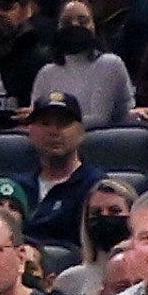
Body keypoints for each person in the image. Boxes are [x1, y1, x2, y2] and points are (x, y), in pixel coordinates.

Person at [32, 0, 136, 128]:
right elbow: (37, 119)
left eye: (83, 21)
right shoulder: (46, 73)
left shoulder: (110, 64)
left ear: (94, 26)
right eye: (67, 22)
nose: (75, 26)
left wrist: (55, 123)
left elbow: (99, 119)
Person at [17, 93, 102, 254]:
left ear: (81, 131)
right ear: (30, 131)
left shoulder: (95, 187)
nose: (53, 132)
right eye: (45, 123)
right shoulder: (18, 187)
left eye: (63, 124)